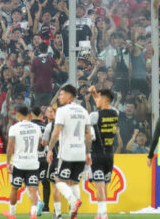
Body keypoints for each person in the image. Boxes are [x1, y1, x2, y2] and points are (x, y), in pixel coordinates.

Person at [46, 84, 91, 219]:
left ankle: (73, 201)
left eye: (61, 94)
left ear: (70, 96)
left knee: (58, 180)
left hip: (67, 152)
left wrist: (49, 149)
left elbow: (57, 131)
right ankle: (73, 212)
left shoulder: (62, 110)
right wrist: (88, 153)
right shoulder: (83, 111)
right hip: (80, 152)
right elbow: (88, 134)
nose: (59, 97)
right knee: (74, 182)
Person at [5, 105, 42, 219]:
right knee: (33, 188)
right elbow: (39, 146)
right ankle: (34, 213)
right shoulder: (37, 127)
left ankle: (12, 214)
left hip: (19, 163)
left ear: (18, 115)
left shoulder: (14, 128)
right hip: (33, 163)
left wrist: (7, 162)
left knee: (15, 188)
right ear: (29, 115)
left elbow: (10, 146)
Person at [88, 87, 119, 219]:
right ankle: (101, 213)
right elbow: (101, 103)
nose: (96, 101)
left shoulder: (94, 116)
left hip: (97, 154)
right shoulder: (116, 112)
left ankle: (103, 214)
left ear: (104, 99)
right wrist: (95, 93)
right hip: (110, 155)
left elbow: (89, 136)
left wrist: (86, 153)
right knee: (104, 184)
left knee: (99, 184)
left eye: (99, 98)